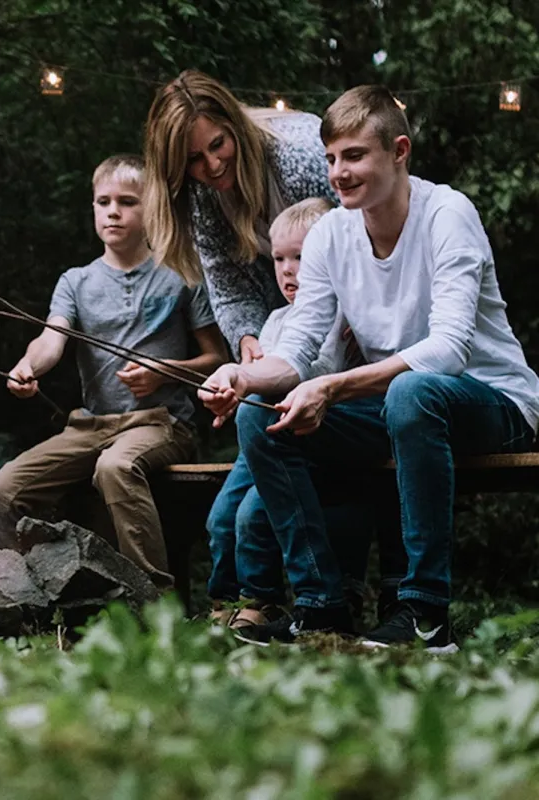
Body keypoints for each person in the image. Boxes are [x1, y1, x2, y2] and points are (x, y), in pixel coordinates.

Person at [199, 85, 539, 652]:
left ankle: (426, 614)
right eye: (331, 158)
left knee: (412, 392)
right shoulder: (332, 233)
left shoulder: (448, 214)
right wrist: (240, 378)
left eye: (354, 156)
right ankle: (320, 609)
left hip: (493, 401)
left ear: (399, 151)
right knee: (260, 416)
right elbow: (299, 348)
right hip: (400, 409)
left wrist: (332, 387)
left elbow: (449, 350)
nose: (338, 172)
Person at [0, 154, 227, 590]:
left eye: (128, 201)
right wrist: (28, 366)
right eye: (103, 201)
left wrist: (166, 371)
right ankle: (28, 597)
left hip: (161, 423)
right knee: (2, 490)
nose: (113, 211)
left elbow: (218, 360)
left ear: (150, 209)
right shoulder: (76, 281)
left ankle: (153, 600)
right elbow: (51, 340)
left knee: (114, 467)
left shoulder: (180, 274)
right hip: (91, 425)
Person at [207, 197, 372, 631]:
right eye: (279, 258)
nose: (287, 268)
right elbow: (263, 375)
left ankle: (264, 601)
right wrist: (235, 380)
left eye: (300, 257)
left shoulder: (347, 315)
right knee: (222, 518)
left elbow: (318, 374)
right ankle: (224, 600)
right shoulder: (276, 320)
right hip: (262, 433)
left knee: (251, 516)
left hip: (304, 434)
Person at [143, 69, 336, 364]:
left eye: (218, 144)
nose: (213, 165)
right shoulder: (203, 197)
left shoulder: (301, 156)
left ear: (235, 127)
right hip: (288, 322)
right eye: (194, 159)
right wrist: (248, 339)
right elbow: (230, 290)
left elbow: (367, 235)